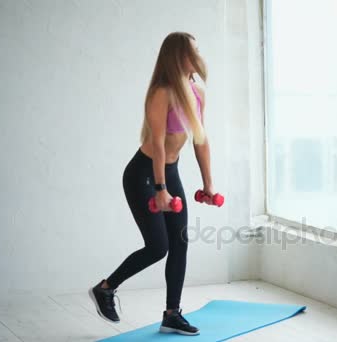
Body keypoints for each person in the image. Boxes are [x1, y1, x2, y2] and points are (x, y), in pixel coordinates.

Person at [88, 31, 215, 336]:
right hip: (143, 174)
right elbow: (157, 144)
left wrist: (208, 185)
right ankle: (105, 288)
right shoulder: (162, 92)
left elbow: (201, 140)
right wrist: (160, 190)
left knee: (180, 242)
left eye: (198, 50)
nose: (197, 56)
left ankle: (172, 314)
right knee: (159, 246)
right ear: (177, 56)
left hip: (171, 172)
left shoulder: (197, 92)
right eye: (191, 51)